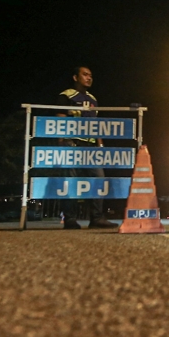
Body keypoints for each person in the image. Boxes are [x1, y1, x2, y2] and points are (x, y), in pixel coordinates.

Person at [55, 66, 118, 229]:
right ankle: (69, 219)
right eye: (85, 75)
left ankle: (96, 218)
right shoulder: (66, 95)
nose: (89, 78)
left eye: (90, 75)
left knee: (99, 179)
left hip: (91, 147)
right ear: (75, 77)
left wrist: (100, 145)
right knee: (71, 181)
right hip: (72, 144)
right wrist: (61, 143)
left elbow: (96, 125)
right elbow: (60, 121)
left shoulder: (93, 99)